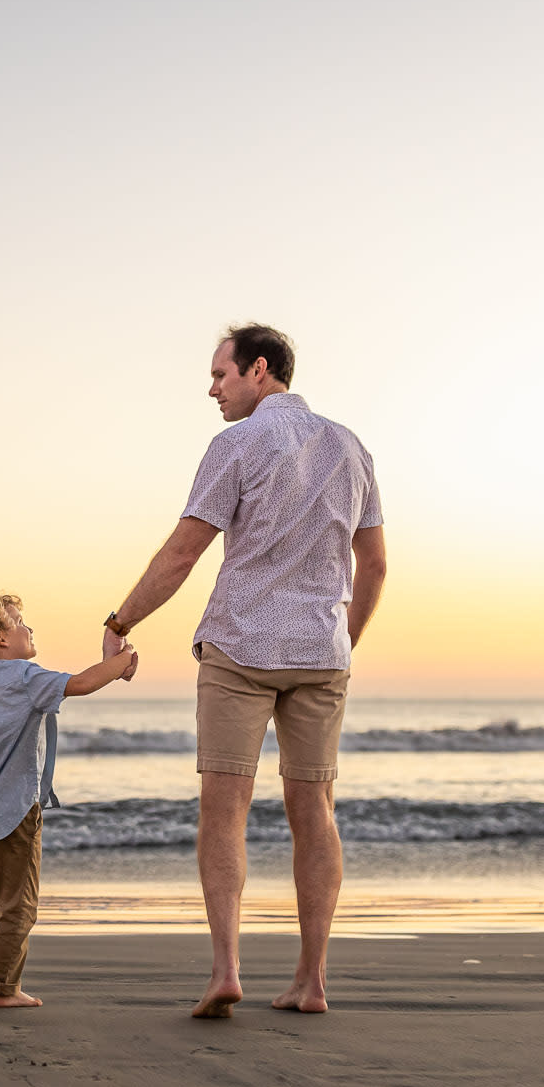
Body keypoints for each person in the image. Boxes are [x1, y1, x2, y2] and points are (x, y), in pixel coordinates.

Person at [102, 325, 386, 1017]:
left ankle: (226, 969)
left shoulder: (235, 444)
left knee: (223, 813)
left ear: (259, 370)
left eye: (221, 374)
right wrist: (339, 640)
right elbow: (374, 563)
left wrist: (120, 621)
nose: (213, 387)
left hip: (240, 649)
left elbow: (181, 553)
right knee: (314, 812)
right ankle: (310, 980)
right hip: (321, 654)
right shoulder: (351, 446)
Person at [0, 592, 137, 1008]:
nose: (29, 628)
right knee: (21, 903)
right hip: (16, 811)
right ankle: (5, 989)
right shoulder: (26, 677)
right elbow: (80, 683)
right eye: (19, 621)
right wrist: (120, 662)